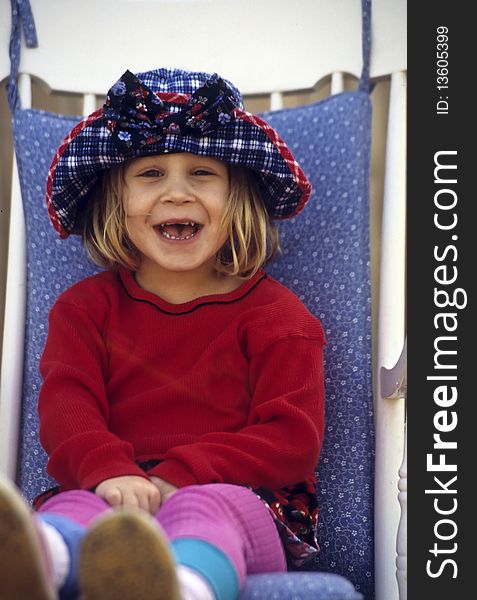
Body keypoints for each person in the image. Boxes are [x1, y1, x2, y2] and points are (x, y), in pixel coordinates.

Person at [0, 67, 325, 600]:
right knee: (74, 508)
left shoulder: (277, 316)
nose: (177, 193)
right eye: (150, 173)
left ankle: (181, 586)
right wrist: (107, 471)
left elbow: (291, 438)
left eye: (202, 172)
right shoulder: (83, 310)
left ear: (237, 196)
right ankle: (47, 562)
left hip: (236, 495)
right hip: (113, 486)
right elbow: (68, 407)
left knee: (206, 510)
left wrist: (181, 474)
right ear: (115, 201)